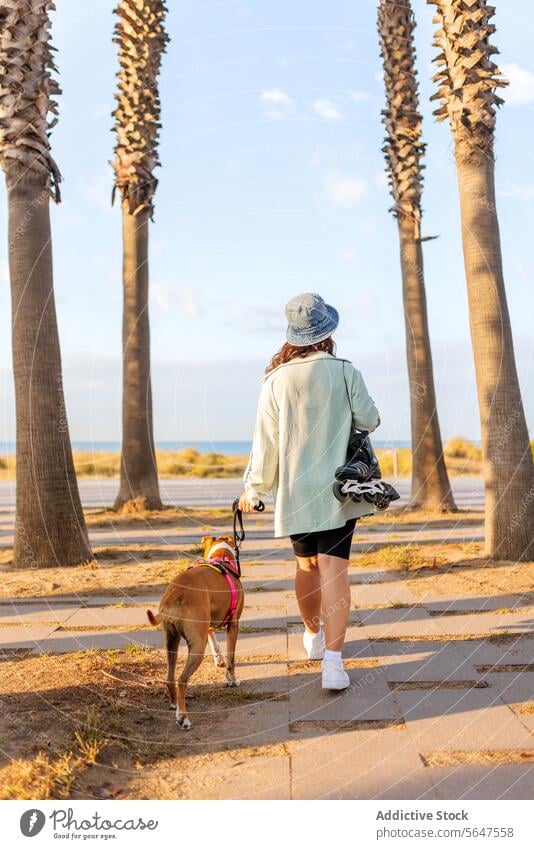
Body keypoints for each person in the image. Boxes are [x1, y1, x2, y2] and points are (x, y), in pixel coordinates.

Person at [239, 292, 379, 690]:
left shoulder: (275, 380)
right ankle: (333, 665)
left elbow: (263, 443)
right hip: (340, 488)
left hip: (296, 490)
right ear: (327, 331)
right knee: (335, 569)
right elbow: (369, 418)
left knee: (306, 566)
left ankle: (312, 637)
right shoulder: (346, 371)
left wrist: (254, 488)